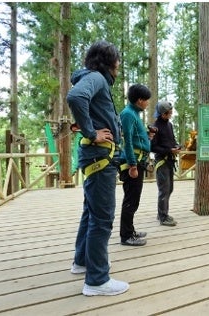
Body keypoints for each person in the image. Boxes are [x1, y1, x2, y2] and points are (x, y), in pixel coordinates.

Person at [66, 40, 129, 296]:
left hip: (96, 157)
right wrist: (92, 133)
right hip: (99, 157)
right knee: (102, 218)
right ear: (110, 61)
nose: (119, 66)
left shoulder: (92, 78)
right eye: (117, 61)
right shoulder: (97, 78)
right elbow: (76, 97)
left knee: (91, 212)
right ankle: (97, 280)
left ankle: (83, 262)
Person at [117, 84, 153, 246]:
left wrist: (148, 136)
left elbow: (136, 137)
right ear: (139, 100)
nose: (148, 103)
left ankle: (130, 230)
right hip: (133, 163)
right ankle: (126, 236)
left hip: (138, 161)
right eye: (146, 100)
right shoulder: (128, 114)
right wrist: (132, 165)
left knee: (134, 199)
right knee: (131, 200)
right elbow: (128, 141)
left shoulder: (134, 114)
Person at [151, 101, 181, 226]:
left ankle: (161, 213)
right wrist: (169, 150)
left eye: (171, 112)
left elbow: (172, 140)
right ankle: (163, 217)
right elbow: (152, 147)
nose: (171, 114)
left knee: (170, 188)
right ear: (162, 113)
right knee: (164, 189)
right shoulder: (155, 127)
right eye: (168, 112)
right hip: (161, 161)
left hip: (170, 160)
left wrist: (176, 146)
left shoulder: (169, 125)